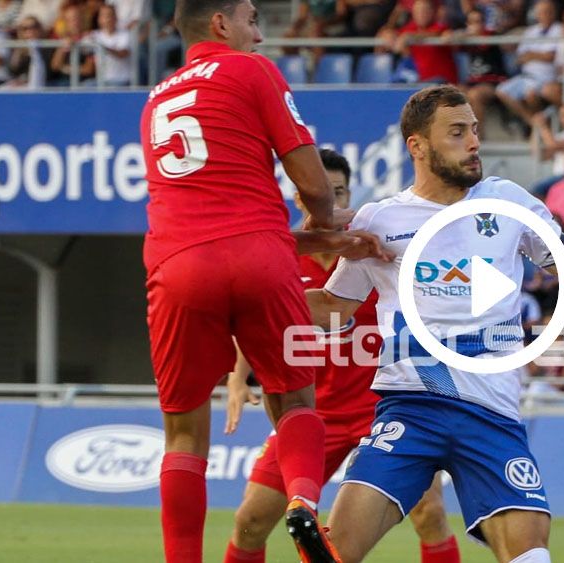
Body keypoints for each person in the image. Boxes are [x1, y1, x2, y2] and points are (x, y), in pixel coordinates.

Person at [305, 85, 564, 563]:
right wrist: (247, 304)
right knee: (333, 553)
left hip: (491, 415)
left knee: (530, 556)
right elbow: (332, 307)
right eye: (457, 132)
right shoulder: (380, 219)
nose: (473, 143)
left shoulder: (509, 202)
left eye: (475, 131)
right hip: (410, 409)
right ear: (417, 146)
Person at [139, 2, 385, 561]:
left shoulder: (155, 101)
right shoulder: (251, 70)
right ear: (221, 23)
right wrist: (330, 221)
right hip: (258, 258)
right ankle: (303, 501)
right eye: (251, 17)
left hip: (176, 264)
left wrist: (321, 243)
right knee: (296, 401)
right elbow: (312, 185)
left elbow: (210, 225)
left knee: (182, 438)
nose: (260, 29)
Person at [223, 149, 460, 563]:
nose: (332, 203)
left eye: (340, 193)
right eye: (322, 194)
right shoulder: (282, 258)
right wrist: (238, 377)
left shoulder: (373, 250)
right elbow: (258, 319)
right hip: (312, 413)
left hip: (381, 410)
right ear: (302, 199)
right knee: (251, 521)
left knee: (431, 513)